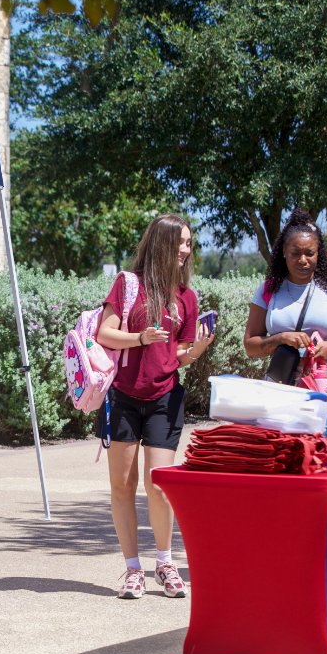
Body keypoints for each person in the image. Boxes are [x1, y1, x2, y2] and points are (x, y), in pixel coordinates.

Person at [95, 214, 214, 599]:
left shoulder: (187, 297)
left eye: (189, 244)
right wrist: (140, 338)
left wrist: (194, 351)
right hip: (123, 397)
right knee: (122, 486)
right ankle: (132, 569)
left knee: (159, 485)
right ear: (161, 243)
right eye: (180, 242)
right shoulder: (128, 286)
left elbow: (177, 355)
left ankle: (164, 563)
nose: (185, 250)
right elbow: (105, 333)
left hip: (164, 397)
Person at [243, 208, 327, 419]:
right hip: (283, 387)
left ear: (318, 252)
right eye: (295, 253)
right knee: (284, 450)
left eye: (309, 253)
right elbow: (250, 346)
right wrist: (280, 338)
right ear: (284, 251)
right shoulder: (269, 289)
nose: (303, 260)